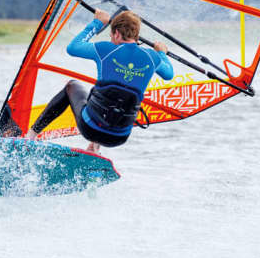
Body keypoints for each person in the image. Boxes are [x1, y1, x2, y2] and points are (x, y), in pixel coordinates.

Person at [25, 9, 175, 154]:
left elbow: (73, 48)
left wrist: (97, 23)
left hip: (89, 128)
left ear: (116, 33)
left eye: (111, 36)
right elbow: (168, 74)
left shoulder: (106, 49)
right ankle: (94, 147)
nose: (111, 39)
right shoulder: (152, 57)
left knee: (72, 86)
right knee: (109, 93)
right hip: (119, 137)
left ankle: (30, 136)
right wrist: (161, 52)